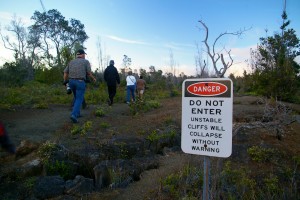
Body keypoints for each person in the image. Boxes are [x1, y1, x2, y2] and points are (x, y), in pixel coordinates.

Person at [63, 49, 96, 123]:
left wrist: (65, 81)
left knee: (76, 97)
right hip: (80, 82)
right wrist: (93, 78)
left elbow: (65, 72)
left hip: (71, 82)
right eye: (84, 54)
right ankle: (73, 115)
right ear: (82, 54)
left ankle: (77, 113)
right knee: (79, 99)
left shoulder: (71, 62)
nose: (84, 55)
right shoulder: (86, 61)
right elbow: (88, 73)